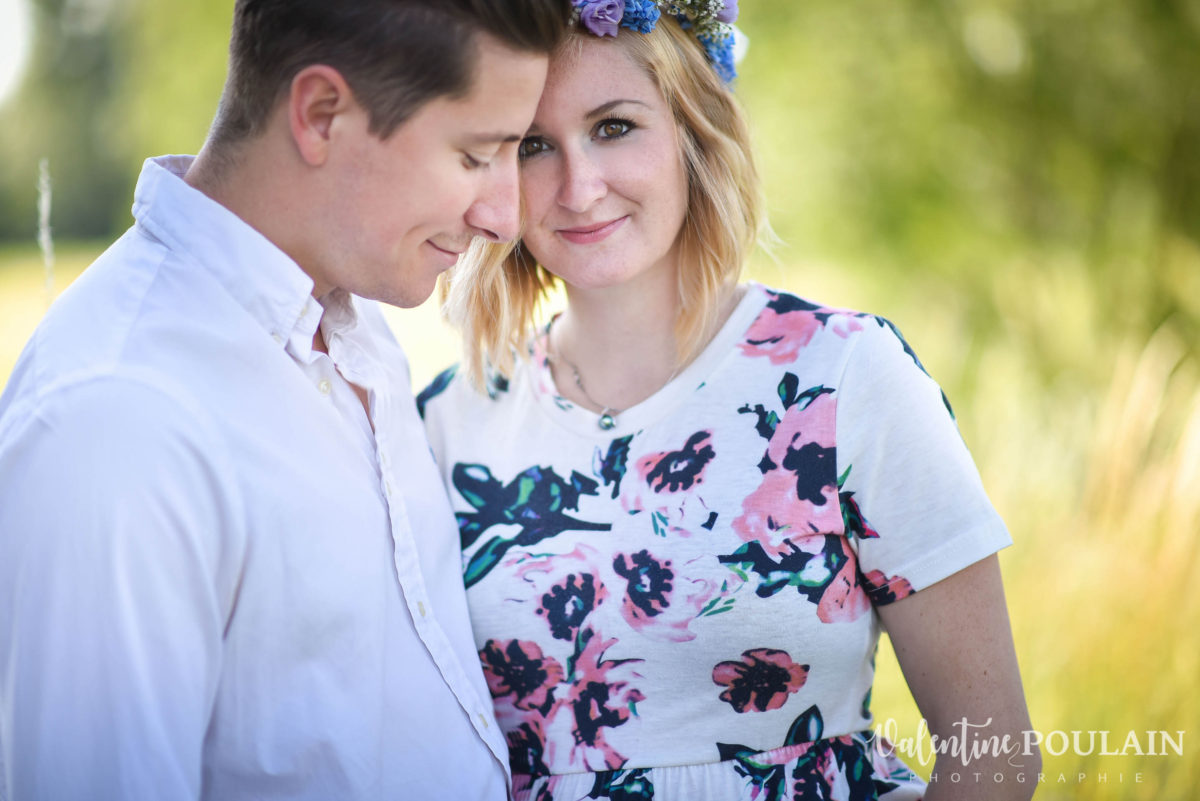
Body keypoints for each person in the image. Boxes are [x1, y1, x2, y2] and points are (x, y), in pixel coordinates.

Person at [418, 3, 1041, 799]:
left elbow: (995, 752)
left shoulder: (844, 376)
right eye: (533, 145)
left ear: (693, 130)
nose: (579, 187)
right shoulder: (445, 424)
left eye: (614, 127)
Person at [0, 1, 572, 798]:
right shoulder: (117, 417)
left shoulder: (354, 325)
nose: (504, 217)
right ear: (321, 114)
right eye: (477, 155)